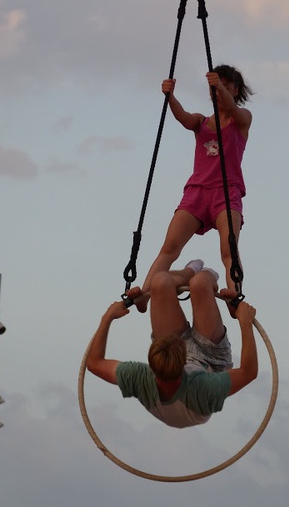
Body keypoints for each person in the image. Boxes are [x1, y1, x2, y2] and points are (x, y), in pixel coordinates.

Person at [137, 65, 253, 314]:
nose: (217, 91)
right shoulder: (202, 121)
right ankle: (144, 294)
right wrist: (171, 97)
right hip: (197, 192)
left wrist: (219, 86)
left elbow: (232, 108)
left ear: (234, 89)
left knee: (228, 249)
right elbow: (183, 117)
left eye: (224, 85)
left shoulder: (241, 119)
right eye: (214, 86)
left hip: (226, 192)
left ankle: (235, 295)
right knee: (170, 247)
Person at [86, 260, 258, 429]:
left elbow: (94, 363)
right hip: (210, 361)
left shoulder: (141, 379)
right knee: (200, 283)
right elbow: (248, 372)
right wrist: (245, 322)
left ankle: (189, 271)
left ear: (151, 364)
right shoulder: (204, 389)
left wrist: (107, 317)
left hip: (175, 364)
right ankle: (206, 277)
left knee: (159, 282)